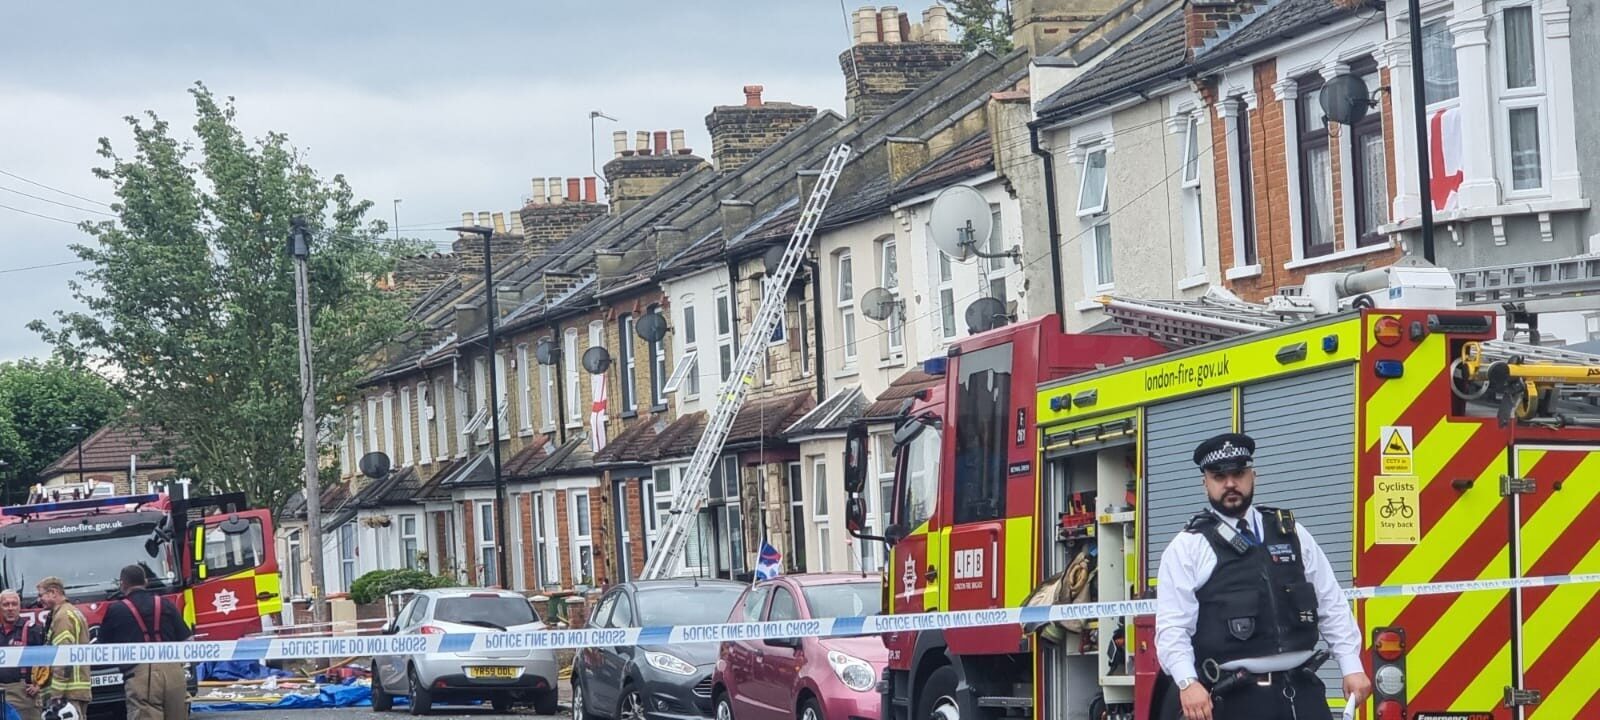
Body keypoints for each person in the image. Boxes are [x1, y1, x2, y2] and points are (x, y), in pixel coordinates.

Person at [1155, 433, 1373, 720]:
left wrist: (1351, 665)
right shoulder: (1188, 546)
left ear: (1253, 475)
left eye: (1238, 473)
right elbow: (1172, 628)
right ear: (1205, 482)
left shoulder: (1292, 533)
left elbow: (1330, 602)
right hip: (1234, 697)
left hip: (1301, 691)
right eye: (1219, 476)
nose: (1230, 483)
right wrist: (1187, 682)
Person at [97, 565, 191, 720]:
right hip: (174, 672)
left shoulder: (116, 610)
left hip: (141, 675)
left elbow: (103, 648)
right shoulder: (166, 604)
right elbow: (187, 639)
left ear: (122, 584)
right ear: (146, 582)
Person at [35, 577, 91, 720]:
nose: (38, 600)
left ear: (53, 592)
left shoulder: (62, 617)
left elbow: (63, 657)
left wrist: (56, 694)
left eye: (41, 595)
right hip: (75, 690)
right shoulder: (72, 612)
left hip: (67, 694)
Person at [0, 590, 46, 720]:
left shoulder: (32, 630)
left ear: (19, 607)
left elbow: (47, 659)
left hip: (24, 697)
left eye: (14, 604)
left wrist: (39, 684)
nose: (10, 608)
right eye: (6, 604)